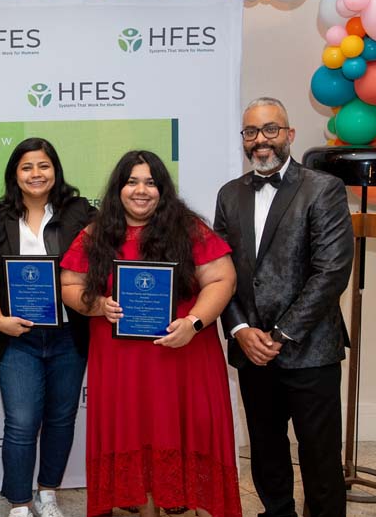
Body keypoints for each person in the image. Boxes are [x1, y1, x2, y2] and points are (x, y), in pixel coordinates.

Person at [59, 150, 241, 517]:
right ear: (118, 188)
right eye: (132, 182)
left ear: (163, 189)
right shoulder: (96, 233)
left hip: (183, 354)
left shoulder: (190, 229)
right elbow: (69, 284)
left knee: (189, 432)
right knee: (133, 434)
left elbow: (223, 279)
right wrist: (97, 305)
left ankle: (192, 503)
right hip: (122, 363)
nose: (141, 190)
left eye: (150, 183)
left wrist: (194, 323)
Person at [214, 97, 353, 517]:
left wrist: (279, 335)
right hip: (252, 350)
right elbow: (220, 274)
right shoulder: (229, 194)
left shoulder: (323, 188)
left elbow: (331, 272)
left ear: (289, 134)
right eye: (251, 131)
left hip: (310, 349)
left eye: (270, 129)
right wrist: (240, 330)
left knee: (320, 456)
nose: (261, 140)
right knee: (266, 450)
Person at [0, 138, 96, 517]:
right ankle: (20, 502)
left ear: (55, 170)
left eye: (43, 165)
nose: (36, 174)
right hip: (16, 336)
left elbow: (104, 262)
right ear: (15, 174)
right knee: (22, 422)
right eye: (27, 167)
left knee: (60, 419)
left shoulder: (80, 213)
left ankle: (48, 492)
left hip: (68, 335)